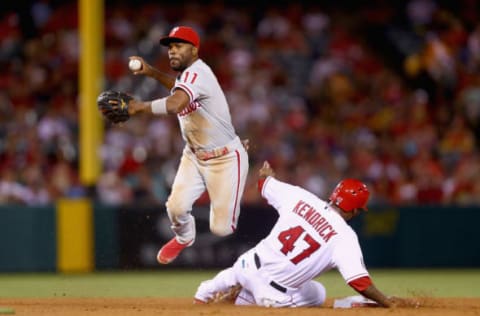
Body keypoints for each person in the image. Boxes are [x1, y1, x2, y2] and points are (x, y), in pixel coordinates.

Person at [194, 161, 417, 308]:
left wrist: (266, 173)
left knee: (231, 277)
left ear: (334, 195)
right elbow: (360, 282)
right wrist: (387, 303)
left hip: (246, 265)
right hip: (271, 294)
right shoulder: (344, 236)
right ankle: (245, 298)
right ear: (357, 210)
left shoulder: (301, 197)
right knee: (318, 294)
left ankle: (210, 291)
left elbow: (264, 183)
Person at [126, 26, 249, 264]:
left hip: (225, 159)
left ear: (194, 49)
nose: (172, 52)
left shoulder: (199, 74)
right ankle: (184, 237)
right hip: (194, 155)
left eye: (179, 46)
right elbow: (178, 89)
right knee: (175, 207)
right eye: (170, 47)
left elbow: (174, 105)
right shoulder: (188, 76)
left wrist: (139, 107)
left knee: (221, 229)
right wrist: (151, 72)